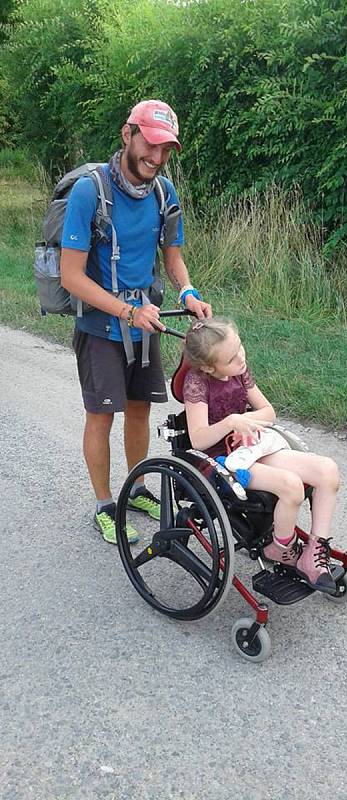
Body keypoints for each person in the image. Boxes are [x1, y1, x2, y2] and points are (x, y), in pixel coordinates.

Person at [60, 99, 211, 545]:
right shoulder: (91, 191)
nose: (157, 158)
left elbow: (174, 258)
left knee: (142, 409)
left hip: (146, 324)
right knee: (103, 415)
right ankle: (106, 504)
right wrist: (126, 310)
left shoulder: (165, 193)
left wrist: (187, 291)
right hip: (101, 326)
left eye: (166, 149)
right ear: (128, 134)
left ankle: (137, 486)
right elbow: (70, 276)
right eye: (151, 144)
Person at [182, 317, 340, 590]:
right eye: (232, 358)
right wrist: (232, 422)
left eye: (240, 347)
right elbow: (198, 438)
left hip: (251, 447)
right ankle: (282, 548)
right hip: (221, 461)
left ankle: (315, 553)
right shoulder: (196, 383)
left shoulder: (239, 371)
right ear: (209, 366)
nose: (241, 358)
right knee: (291, 487)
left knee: (327, 471)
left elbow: (268, 412)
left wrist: (248, 422)